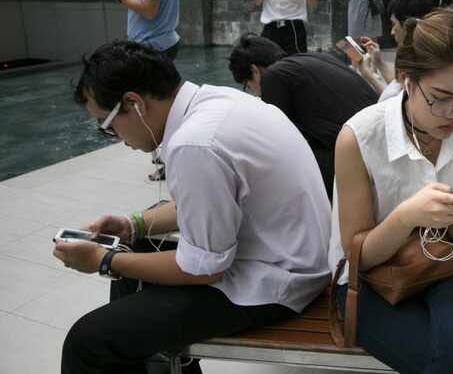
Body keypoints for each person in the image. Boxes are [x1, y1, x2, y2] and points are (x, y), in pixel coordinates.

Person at [60, 41, 331, 374]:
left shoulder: (195, 144)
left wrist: (104, 260)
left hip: (275, 285)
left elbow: (203, 269)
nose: (115, 136)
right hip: (295, 257)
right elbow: (209, 203)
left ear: (134, 103)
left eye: (107, 125)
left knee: (87, 342)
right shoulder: (217, 102)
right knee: (137, 250)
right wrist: (132, 225)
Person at [330, 8, 453, 373]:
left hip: (449, 264)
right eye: (441, 97)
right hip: (368, 280)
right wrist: (407, 216)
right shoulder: (359, 138)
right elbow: (357, 257)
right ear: (405, 79)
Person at [228, 34, 378, 195]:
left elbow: (277, 139)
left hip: (358, 157)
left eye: (248, 86)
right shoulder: (310, 58)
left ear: (254, 70)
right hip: (374, 141)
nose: (254, 91)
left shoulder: (273, 76)